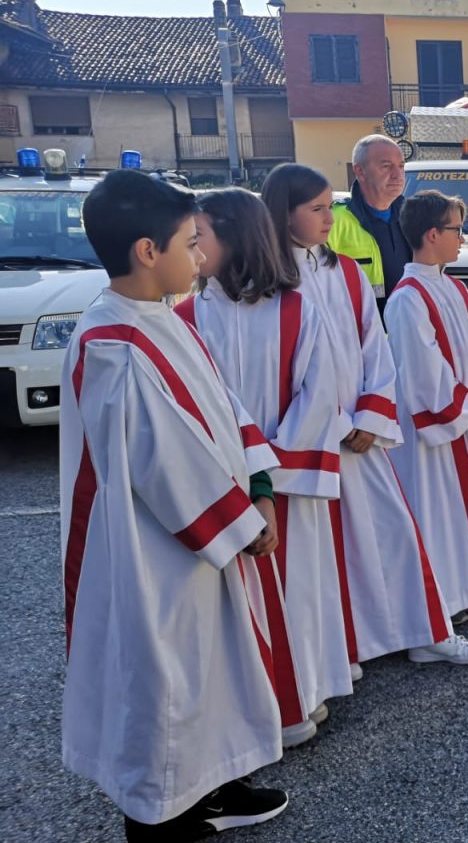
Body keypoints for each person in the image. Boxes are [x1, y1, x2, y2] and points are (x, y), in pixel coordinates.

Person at [61, 169, 288, 841]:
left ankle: (211, 785)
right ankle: (163, 815)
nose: (201, 256)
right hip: (157, 550)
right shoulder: (114, 345)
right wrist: (245, 524)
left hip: (200, 540)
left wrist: (262, 483)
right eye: (191, 243)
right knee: (168, 679)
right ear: (146, 252)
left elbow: (221, 407)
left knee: (209, 667)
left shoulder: (158, 316)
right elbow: (168, 465)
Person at [262, 163, 468, 670]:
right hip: (306, 439)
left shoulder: (346, 272)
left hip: (360, 434)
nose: (329, 218)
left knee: (392, 534)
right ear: (284, 212)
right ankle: (337, 652)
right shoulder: (268, 280)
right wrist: (332, 423)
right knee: (320, 552)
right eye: (317, 209)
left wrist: (370, 412)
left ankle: (425, 632)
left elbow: (375, 349)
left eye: (329, 206)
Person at [176, 188, 352, 749]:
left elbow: (322, 390)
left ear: (236, 236)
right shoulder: (184, 315)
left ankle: (303, 691)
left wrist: (269, 475)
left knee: (297, 590)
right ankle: (258, 710)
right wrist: (243, 480)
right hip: (227, 490)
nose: (195, 247)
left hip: (285, 485)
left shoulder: (297, 307)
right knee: (238, 604)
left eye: (200, 235)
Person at [386, 190, 468, 625]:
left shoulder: (453, 287)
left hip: (464, 421)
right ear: (432, 234)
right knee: (435, 514)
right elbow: (422, 374)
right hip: (431, 434)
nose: (462, 238)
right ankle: (443, 600)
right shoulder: (407, 298)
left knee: (462, 509)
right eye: (456, 230)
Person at [329, 134, 412, 312]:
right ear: (360, 171)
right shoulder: (333, 221)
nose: (397, 175)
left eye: (401, 166)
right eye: (386, 166)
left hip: (406, 331)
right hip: (357, 334)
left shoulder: (412, 215)